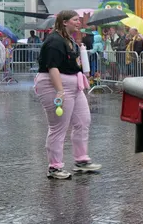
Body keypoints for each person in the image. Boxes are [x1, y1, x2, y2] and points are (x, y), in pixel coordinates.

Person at [34, 10, 101, 180]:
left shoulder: (69, 39)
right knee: (58, 127)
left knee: (83, 121)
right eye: (75, 20)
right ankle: (54, 167)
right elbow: (52, 67)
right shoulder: (54, 41)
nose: (79, 22)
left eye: (79, 20)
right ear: (64, 22)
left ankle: (81, 160)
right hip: (56, 85)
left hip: (73, 84)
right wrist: (60, 91)